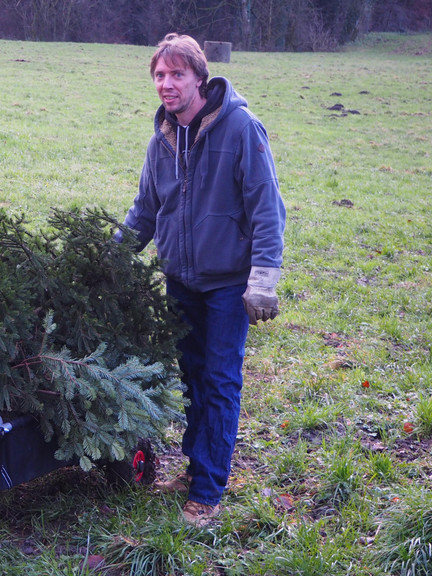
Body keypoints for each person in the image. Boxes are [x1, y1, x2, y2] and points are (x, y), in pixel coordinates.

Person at [120, 33, 286, 527]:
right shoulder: (162, 138)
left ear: (199, 77)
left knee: (219, 381)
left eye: (177, 74)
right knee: (192, 377)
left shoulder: (241, 128)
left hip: (228, 284)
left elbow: (267, 206)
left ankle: (208, 491)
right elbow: (145, 210)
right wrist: (107, 258)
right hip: (181, 281)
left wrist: (263, 278)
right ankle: (196, 468)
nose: (166, 84)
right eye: (159, 75)